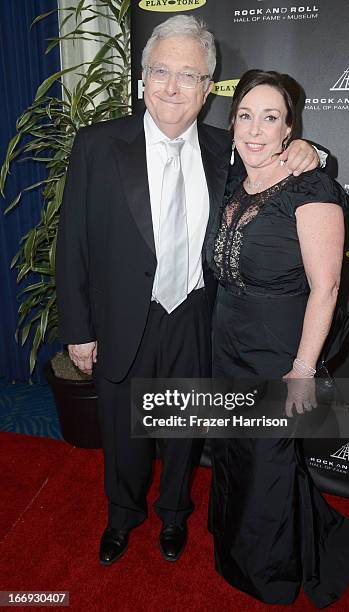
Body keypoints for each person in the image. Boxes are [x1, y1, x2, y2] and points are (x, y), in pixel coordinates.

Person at [56, 17, 320, 568]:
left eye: (188, 76)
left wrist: (310, 152)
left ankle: (174, 515)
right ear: (142, 79)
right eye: (161, 72)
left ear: (207, 90)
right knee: (123, 434)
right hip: (123, 319)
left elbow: (282, 162)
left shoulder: (226, 148)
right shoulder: (98, 146)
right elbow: (72, 243)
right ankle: (122, 516)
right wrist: (78, 331)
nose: (172, 87)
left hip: (195, 317)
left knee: (182, 431)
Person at [207, 69, 349, 607]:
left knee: (270, 460)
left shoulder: (311, 187)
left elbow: (327, 288)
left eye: (270, 117)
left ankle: (271, 572)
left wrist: (302, 369)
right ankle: (236, 550)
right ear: (231, 123)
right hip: (226, 340)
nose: (255, 130)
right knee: (235, 453)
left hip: (278, 350)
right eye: (245, 115)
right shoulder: (232, 179)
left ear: (289, 128)